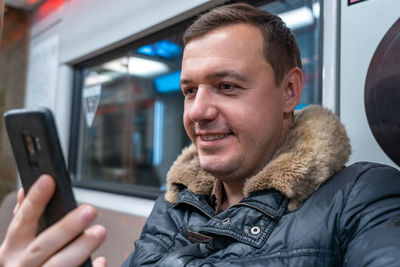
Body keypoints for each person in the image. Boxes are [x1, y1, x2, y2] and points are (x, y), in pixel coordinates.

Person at [1, 3, 400, 266]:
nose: (197, 112)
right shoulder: (176, 202)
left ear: (289, 91)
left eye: (227, 86)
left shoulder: (363, 197)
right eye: (190, 90)